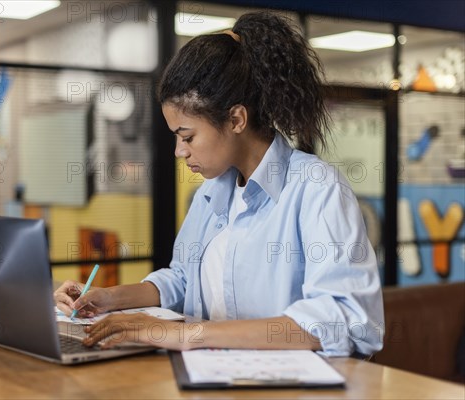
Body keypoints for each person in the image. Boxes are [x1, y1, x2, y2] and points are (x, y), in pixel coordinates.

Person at [54, 11, 384, 357]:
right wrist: (111, 298)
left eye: (188, 136)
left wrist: (185, 334)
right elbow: (182, 278)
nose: (180, 152)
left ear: (236, 119)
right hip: (214, 376)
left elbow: (342, 320)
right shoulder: (210, 194)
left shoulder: (317, 188)